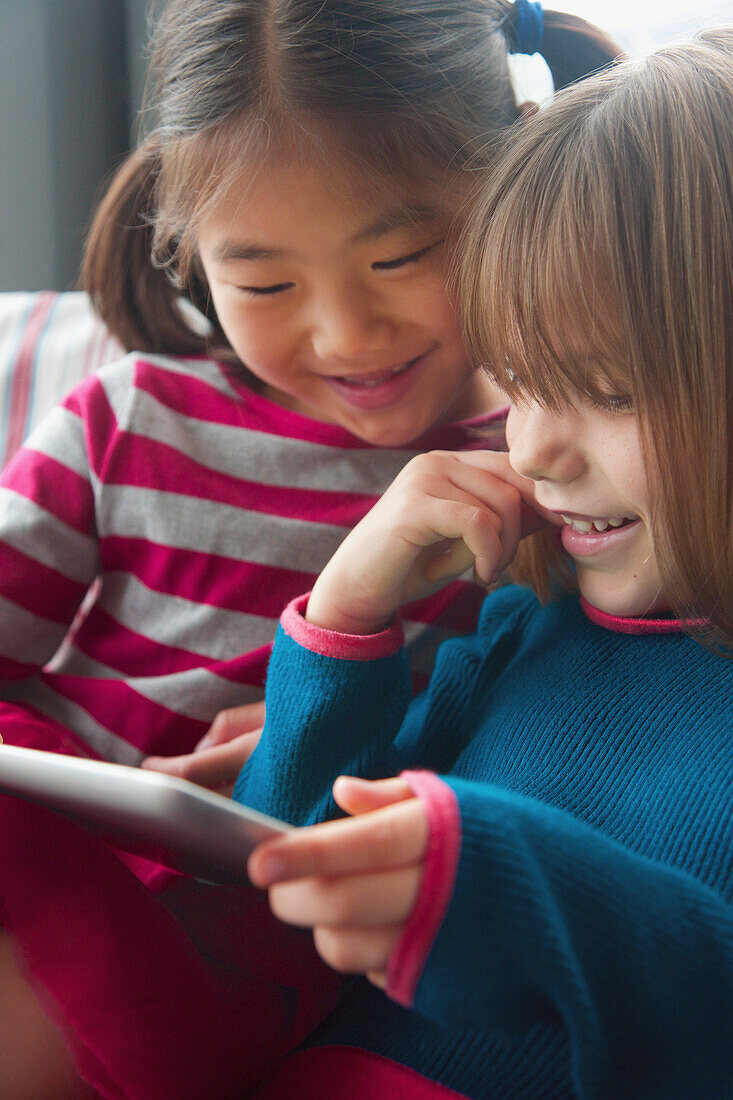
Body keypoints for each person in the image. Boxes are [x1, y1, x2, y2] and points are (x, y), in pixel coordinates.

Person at [0, 1, 622, 1097]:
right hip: (49, 875)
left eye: (400, 254)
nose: (345, 334)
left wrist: (338, 728)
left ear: (511, 192)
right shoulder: (131, 416)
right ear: (189, 251)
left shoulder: (555, 474)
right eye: (266, 284)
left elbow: (540, 779)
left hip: (266, 938)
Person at [234, 28, 733, 1098]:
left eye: (605, 388)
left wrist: (514, 882)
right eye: (517, 380)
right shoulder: (517, 637)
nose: (533, 450)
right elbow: (277, 881)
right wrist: (343, 624)